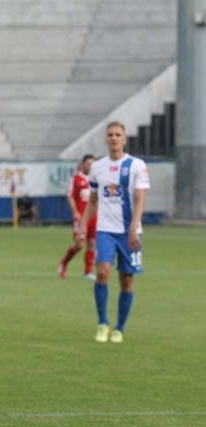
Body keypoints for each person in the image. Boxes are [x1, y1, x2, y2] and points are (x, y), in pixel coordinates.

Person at [78, 121, 149, 344]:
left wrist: (134, 228)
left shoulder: (137, 165)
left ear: (124, 139)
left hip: (129, 231)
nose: (114, 138)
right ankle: (103, 324)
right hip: (105, 230)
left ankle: (119, 328)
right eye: (110, 134)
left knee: (126, 280)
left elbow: (139, 199)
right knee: (102, 272)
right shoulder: (97, 167)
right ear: (106, 139)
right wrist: (82, 224)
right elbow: (93, 200)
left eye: (118, 134)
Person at [59, 154, 97, 280]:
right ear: (83, 164)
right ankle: (64, 262)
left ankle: (87, 272)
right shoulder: (75, 179)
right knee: (80, 244)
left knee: (92, 244)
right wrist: (75, 211)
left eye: (93, 164)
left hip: (94, 217)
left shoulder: (96, 180)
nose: (91, 166)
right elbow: (70, 196)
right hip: (81, 217)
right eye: (89, 163)